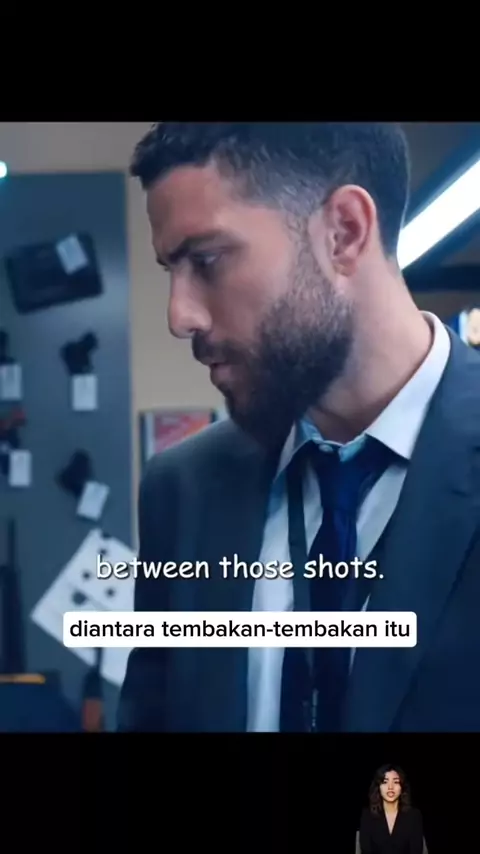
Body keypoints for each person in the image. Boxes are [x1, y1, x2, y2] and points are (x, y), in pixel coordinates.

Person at [117, 122, 480, 733]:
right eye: (170, 269)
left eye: (207, 260)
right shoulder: (181, 490)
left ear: (344, 232)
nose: (180, 316)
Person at [359, 765, 424, 853]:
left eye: (396, 782)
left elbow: (416, 850)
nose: (390, 787)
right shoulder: (367, 816)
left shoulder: (414, 816)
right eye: (385, 782)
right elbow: (366, 850)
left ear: (402, 787)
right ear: (378, 787)